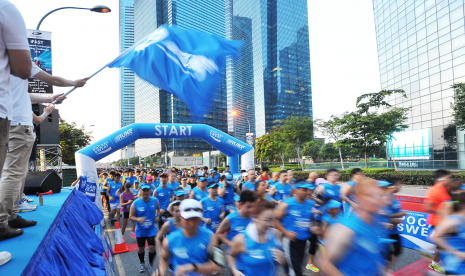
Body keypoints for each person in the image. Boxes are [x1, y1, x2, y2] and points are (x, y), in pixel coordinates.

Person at [319, 178, 384, 276]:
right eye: (370, 195)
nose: (376, 200)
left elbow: (372, 257)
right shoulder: (346, 229)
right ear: (359, 198)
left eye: (379, 195)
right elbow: (325, 264)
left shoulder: (374, 223)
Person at [155, 199, 221, 276]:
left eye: (195, 219)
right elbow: (164, 258)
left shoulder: (211, 237)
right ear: (181, 217)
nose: (192, 224)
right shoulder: (170, 240)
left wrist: (193, 267)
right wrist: (162, 272)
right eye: (188, 219)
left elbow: (218, 266)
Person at [229, 200, 286, 276]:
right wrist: (234, 270)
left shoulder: (275, 234)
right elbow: (231, 255)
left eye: (272, 219)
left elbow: (278, 262)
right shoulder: (241, 239)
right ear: (256, 218)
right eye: (266, 220)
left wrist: (283, 260)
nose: (270, 224)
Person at [274, 181, 317, 276]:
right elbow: (274, 219)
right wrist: (287, 233)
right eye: (303, 190)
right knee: (296, 272)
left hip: (304, 242)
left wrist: (313, 226)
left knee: (291, 270)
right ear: (295, 191)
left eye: (307, 190)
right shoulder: (287, 204)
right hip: (290, 242)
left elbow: (312, 219)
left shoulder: (310, 204)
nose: (306, 192)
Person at [424, 169, 452, 273]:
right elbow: (427, 207)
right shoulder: (435, 190)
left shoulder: (445, 188)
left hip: (444, 221)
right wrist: (440, 212)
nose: (450, 180)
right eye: (449, 178)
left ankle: (430, 251)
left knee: (442, 243)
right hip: (437, 221)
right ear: (443, 178)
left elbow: (450, 200)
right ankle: (434, 264)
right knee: (442, 244)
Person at [431, 192, 465, 275]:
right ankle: (434, 263)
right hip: (456, 267)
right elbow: (435, 237)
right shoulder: (454, 221)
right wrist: (456, 252)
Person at [129, 184, 160, 273]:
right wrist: (138, 219)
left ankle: (150, 264)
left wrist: (157, 216)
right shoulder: (135, 203)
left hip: (151, 229)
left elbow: (158, 209)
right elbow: (131, 216)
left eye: (147, 190)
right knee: (141, 249)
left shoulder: (155, 200)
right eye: (144, 190)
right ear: (141, 191)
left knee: (152, 248)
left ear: (150, 191)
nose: (146, 192)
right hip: (141, 231)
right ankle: (142, 263)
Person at [384, 177, 405, 264]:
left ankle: (386, 270)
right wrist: (399, 215)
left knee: (397, 250)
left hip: (394, 230)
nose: (400, 187)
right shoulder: (385, 198)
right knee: (385, 254)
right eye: (399, 185)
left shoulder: (392, 196)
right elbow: (384, 215)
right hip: (385, 231)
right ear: (393, 186)